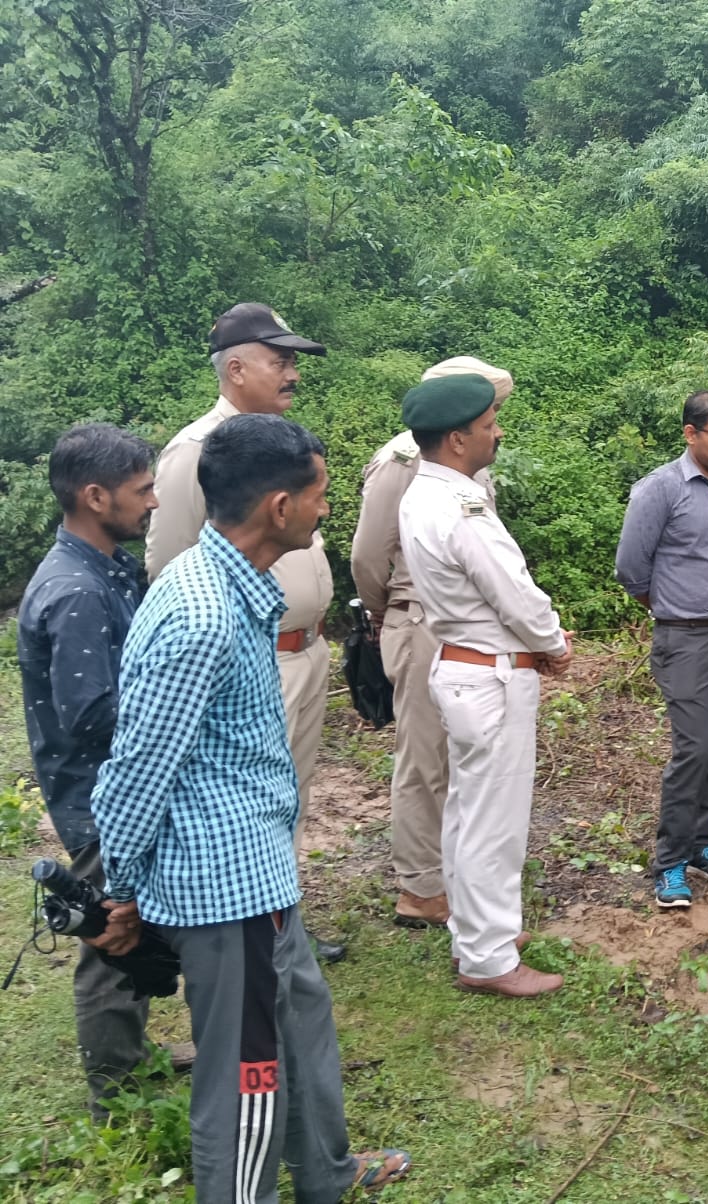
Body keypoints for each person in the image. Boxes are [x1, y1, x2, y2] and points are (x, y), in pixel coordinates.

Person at [89, 414, 410, 1201]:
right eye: (320, 495)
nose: (326, 510)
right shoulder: (198, 614)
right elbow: (137, 770)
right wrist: (120, 890)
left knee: (302, 1020)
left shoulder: (236, 590)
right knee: (246, 1078)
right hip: (225, 887)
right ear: (278, 507)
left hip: (259, 868)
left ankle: (327, 1173)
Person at [144, 302, 343, 962]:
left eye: (294, 362)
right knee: (247, 803)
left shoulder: (282, 447)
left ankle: (279, 925)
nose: (292, 374)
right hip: (250, 659)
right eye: (278, 361)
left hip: (304, 651)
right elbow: (171, 565)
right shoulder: (198, 454)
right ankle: (244, 932)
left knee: (288, 795)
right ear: (234, 369)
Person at [397, 373, 571, 998]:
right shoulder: (461, 506)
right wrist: (552, 642)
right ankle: (489, 958)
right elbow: (512, 591)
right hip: (490, 673)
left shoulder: (422, 493)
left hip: (462, 667)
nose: (496, 434)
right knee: (493, 821)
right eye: (487, 426)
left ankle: (482, 932)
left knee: (469, 814)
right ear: (456, 439)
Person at [18, 424, 168, 1116]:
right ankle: (116, 1094)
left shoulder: (103, 567)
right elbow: (92, 715)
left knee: (127, 922)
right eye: (143, 491)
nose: (155, 502)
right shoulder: (76, 590)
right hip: (101, 795)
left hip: (115, 788)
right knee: (110, 932)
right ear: (95, 495)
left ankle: (129, 1060)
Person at [352, 356, 512, 930]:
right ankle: (419, 887)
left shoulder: (465, 461)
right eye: (487, 411)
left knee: (461, 755)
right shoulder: (402, 461)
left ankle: (453, 869)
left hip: (462, 622)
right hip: (419, 617)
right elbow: (368, 555)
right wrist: (385, 612)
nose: (495, 423)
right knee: (424, 758)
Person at [616, 390, 708, 910]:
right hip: (685, 638)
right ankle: (670, 861)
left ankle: (702, 845)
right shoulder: (659, 490)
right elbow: (631, 568)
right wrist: (673, 605)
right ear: (690, 434)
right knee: (693, 748)